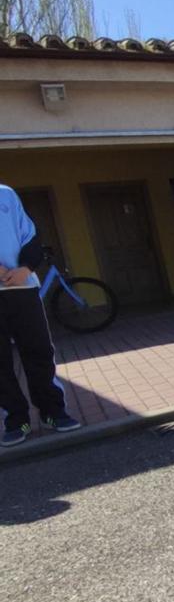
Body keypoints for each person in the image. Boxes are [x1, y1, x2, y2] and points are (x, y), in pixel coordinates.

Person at [0, 184, 82, 446]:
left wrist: (26, 267)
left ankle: (52, 412)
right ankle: (16, 420)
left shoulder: (6, 194)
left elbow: (30, 237)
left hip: (23, 287)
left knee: (38, 350)